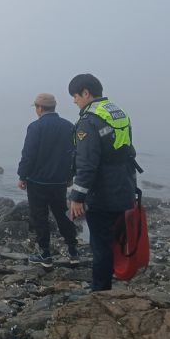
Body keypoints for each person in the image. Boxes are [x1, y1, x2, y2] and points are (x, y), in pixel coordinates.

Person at [67, 74, 139, 292]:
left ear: (86, 93)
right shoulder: (117, 113)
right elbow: (128, 150)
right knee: (115, 239)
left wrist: (77, 197)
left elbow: (87, 164)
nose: (74, 101)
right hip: (124, 187)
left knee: (100, 245)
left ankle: (100, 291)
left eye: (75, 96)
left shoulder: (88, 121)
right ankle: (116, 276)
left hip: (102, 194)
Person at [17, 93, 79, 268]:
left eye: (36, 107)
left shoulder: (35, 127)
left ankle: (45, 254)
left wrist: (22, 176)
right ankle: (73, 251)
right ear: (54, 107)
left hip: (37, 181)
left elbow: (28, 154)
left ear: (39, 108)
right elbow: (75, 155)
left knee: (40, 217)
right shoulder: (69, 126)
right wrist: (70, 176)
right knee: (62, 214)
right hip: (59, 181)